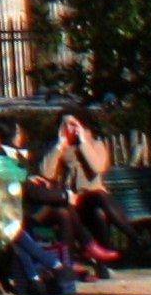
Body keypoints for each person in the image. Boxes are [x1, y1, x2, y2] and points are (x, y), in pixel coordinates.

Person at [38, 109, 124, 268]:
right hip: (71, 201)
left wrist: (84, 143)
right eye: (65, 125)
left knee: (98, 209)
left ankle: (103, 262)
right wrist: (59, 146)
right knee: (95, 205)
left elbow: (97, 167)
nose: (69, 128)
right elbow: (46, 173)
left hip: (93, 200)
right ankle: (127, 241)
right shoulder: (55, 149)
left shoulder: (96, 145)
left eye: (73, 124)